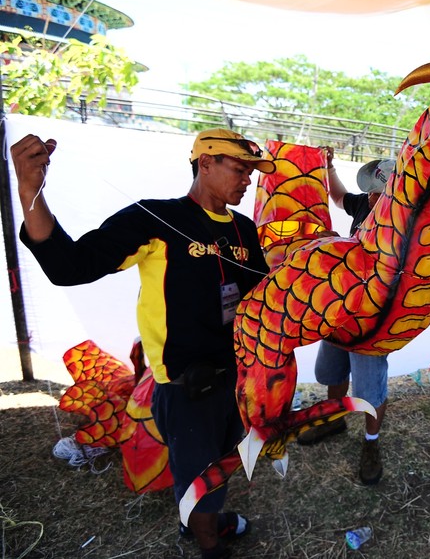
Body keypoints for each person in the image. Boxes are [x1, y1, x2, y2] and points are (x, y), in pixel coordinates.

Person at [11, 129, 272, 559]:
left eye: (251, 173)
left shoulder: (245, 230)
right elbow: (70, 266)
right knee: (199, 476)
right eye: (240, 169)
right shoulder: (156, 219)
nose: (247, 180)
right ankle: (210, 544)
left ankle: (202, 521)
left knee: (223, 462)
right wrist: (29, 191)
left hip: (237, 379)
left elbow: (260, 298)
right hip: (187, 387)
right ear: (205, 164)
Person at [296, 154, 395, 487]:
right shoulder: (364, 206)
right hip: (341, 310)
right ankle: (334, 418)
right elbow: (338, 197)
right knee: (332, 372)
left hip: (373, 321)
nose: (371, 197)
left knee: (369, 389)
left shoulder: (401, 225)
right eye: (370, 191)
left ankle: (371, 443)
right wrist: (329, 168)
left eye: (379, 192)